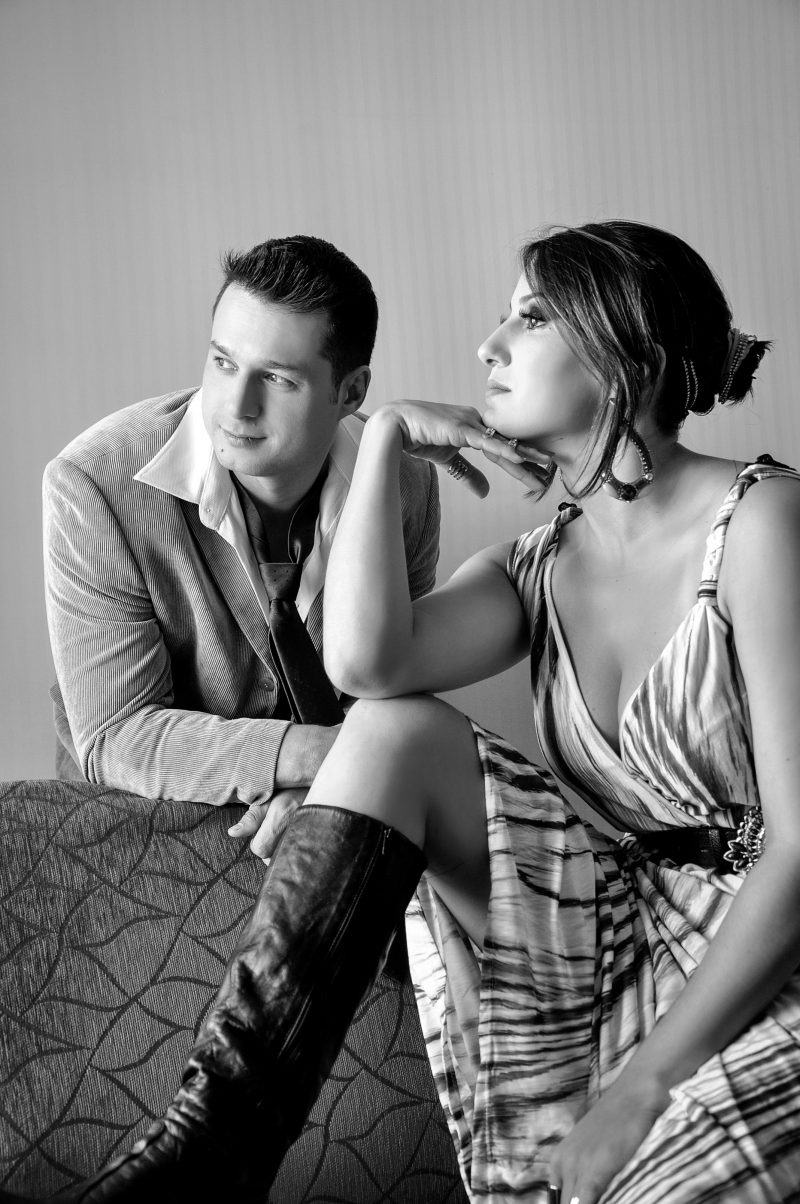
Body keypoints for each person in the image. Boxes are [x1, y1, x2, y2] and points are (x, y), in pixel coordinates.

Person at [14, 220, 800, 1204]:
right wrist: (383, 438)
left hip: (751, 960)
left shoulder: (762, 521)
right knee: (394, 727)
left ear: (620, 353)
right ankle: (205, 1158)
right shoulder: (533, 567)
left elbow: (798, 850)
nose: (487, 346)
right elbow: (367, 670)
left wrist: (643, 1087)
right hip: (603, 940)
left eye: (530, 317)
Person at [42, 234, 440, 856]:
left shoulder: (405, 482)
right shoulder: (94, 483)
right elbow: (117, 735)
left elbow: (395, 684)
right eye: (223, 363)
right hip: (136, 828)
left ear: (352, 392)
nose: (236, 406)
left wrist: (326, 781)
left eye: (277, 379)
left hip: (325, 814)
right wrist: (328, 760)